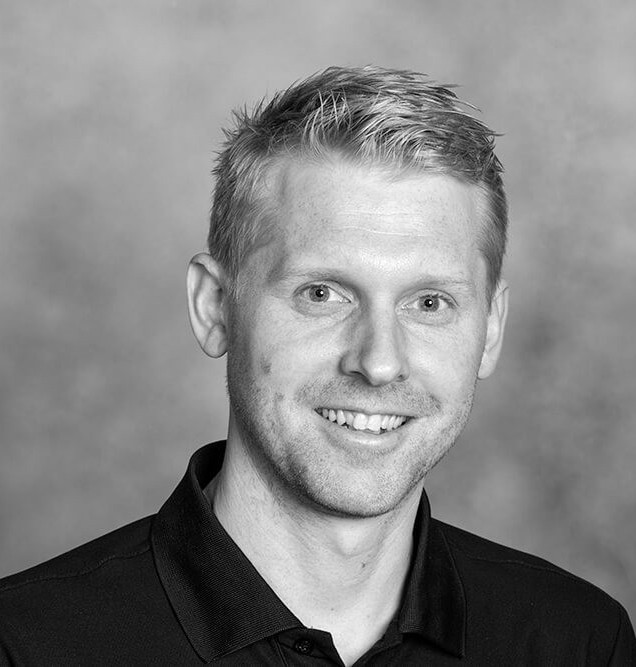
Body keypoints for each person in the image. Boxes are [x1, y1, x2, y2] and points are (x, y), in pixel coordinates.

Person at [0, 66, 634, 666]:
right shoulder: (26, 645)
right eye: (322, 294)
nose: (378, 363)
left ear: (489, 329)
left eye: (429, 303)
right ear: (215, 307)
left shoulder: (578, 642)